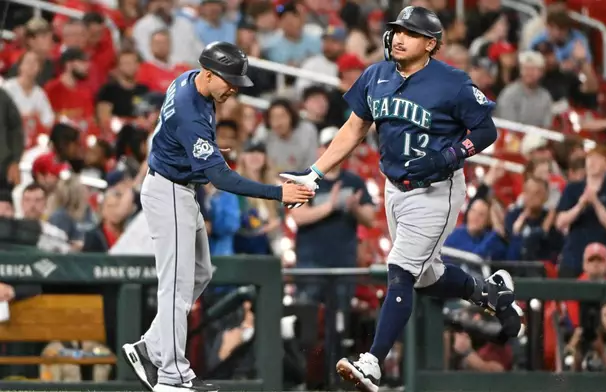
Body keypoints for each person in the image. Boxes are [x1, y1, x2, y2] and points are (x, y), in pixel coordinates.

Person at [280, 6, 523, 392]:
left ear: (431, 44)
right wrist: (315, 172)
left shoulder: (453, 82)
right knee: (425, 278)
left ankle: (373, 361)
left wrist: (450, 155)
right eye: (396, 30)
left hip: (436, 192)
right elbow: (354, 127)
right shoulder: (376, 74)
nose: (398, 38)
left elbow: (486, 130)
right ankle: (489, 293)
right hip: (395, 188)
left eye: (409, 33)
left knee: (401, 270)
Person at [121, 41, 314, 392]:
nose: (234, 89)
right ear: (209, 74)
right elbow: (222, 178)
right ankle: (172, 376)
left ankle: (151, 346)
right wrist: (277, 192)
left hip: (179, 187)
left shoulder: (189, 79)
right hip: (169, 193)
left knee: (200, 273)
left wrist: (204, 149)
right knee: (176, 286)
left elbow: (178, 138)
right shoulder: (189, 108)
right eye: (229, 81)